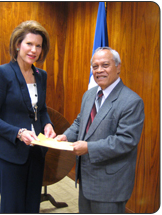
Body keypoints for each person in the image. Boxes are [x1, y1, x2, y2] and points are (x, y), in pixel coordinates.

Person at [56, 47, 144, 213]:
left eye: (105, 65)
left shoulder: (132, 101)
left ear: (118, 67)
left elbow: (125, 141)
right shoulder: (89, 94)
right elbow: (80, 121)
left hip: (110, 184)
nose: (99, 70)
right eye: (95, 66)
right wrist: (65, 136)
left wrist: (88, 148)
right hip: (86, 178)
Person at [0, 20, 56, 213]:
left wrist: (47, 124)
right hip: (11, 154)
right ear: (18, 44)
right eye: (29, 44)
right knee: (13, 207)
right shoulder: (2, 73)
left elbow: (41, 109)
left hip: (36, 152)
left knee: (32, 205)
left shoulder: (41, 75)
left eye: (38, 45)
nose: (34, 50)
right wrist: (18, 132)